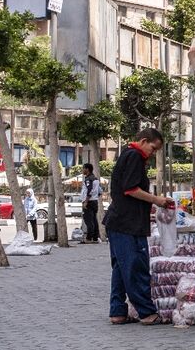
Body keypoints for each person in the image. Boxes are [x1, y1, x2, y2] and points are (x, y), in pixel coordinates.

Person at [102, 128, 175, 325]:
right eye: (153, 148)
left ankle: (117, 312)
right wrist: (157, 200)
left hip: (120, 222)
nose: (153, 154)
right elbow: (131, 189)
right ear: (143, 141)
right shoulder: (134, 156)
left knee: (120, 268)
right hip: (127, 224)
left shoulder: (128, 155)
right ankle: (146, 313)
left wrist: (148, 208)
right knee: (135, 266)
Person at [80, 163, 101, 244]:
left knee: (88, 220)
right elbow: (100, 191)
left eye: (83, 168)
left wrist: (86, 201)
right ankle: (95, 238)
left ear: (87, 169)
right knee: (94, 220)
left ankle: (89, 238)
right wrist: (94, 197)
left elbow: (90, 190)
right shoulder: (96, 179)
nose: (82, 170)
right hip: (94, 201)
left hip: (89, 202)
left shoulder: (89, 179)